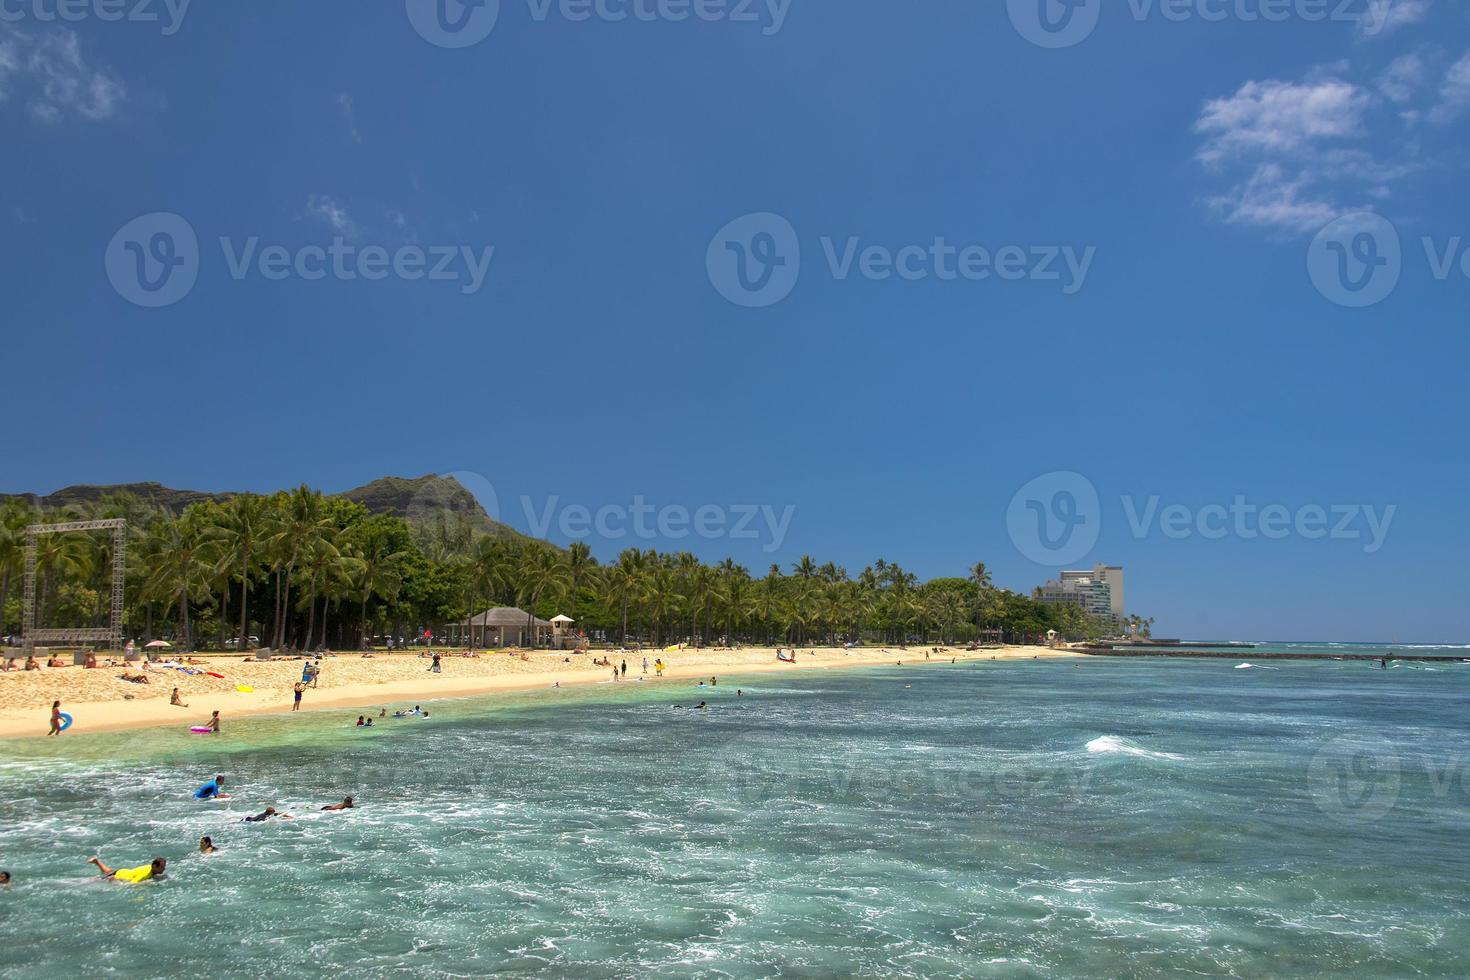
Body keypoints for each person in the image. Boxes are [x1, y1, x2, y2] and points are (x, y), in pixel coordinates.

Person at [89, 856, 166, 883]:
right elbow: (132, 884)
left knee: (108, 871)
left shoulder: (151, 867)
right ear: (155, 866)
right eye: (162, 867)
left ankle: (97, 861)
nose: (164, 869)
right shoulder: (144, 875)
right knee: (97, 880)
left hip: (124, 871)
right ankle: (94, 877)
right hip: (119, 876)